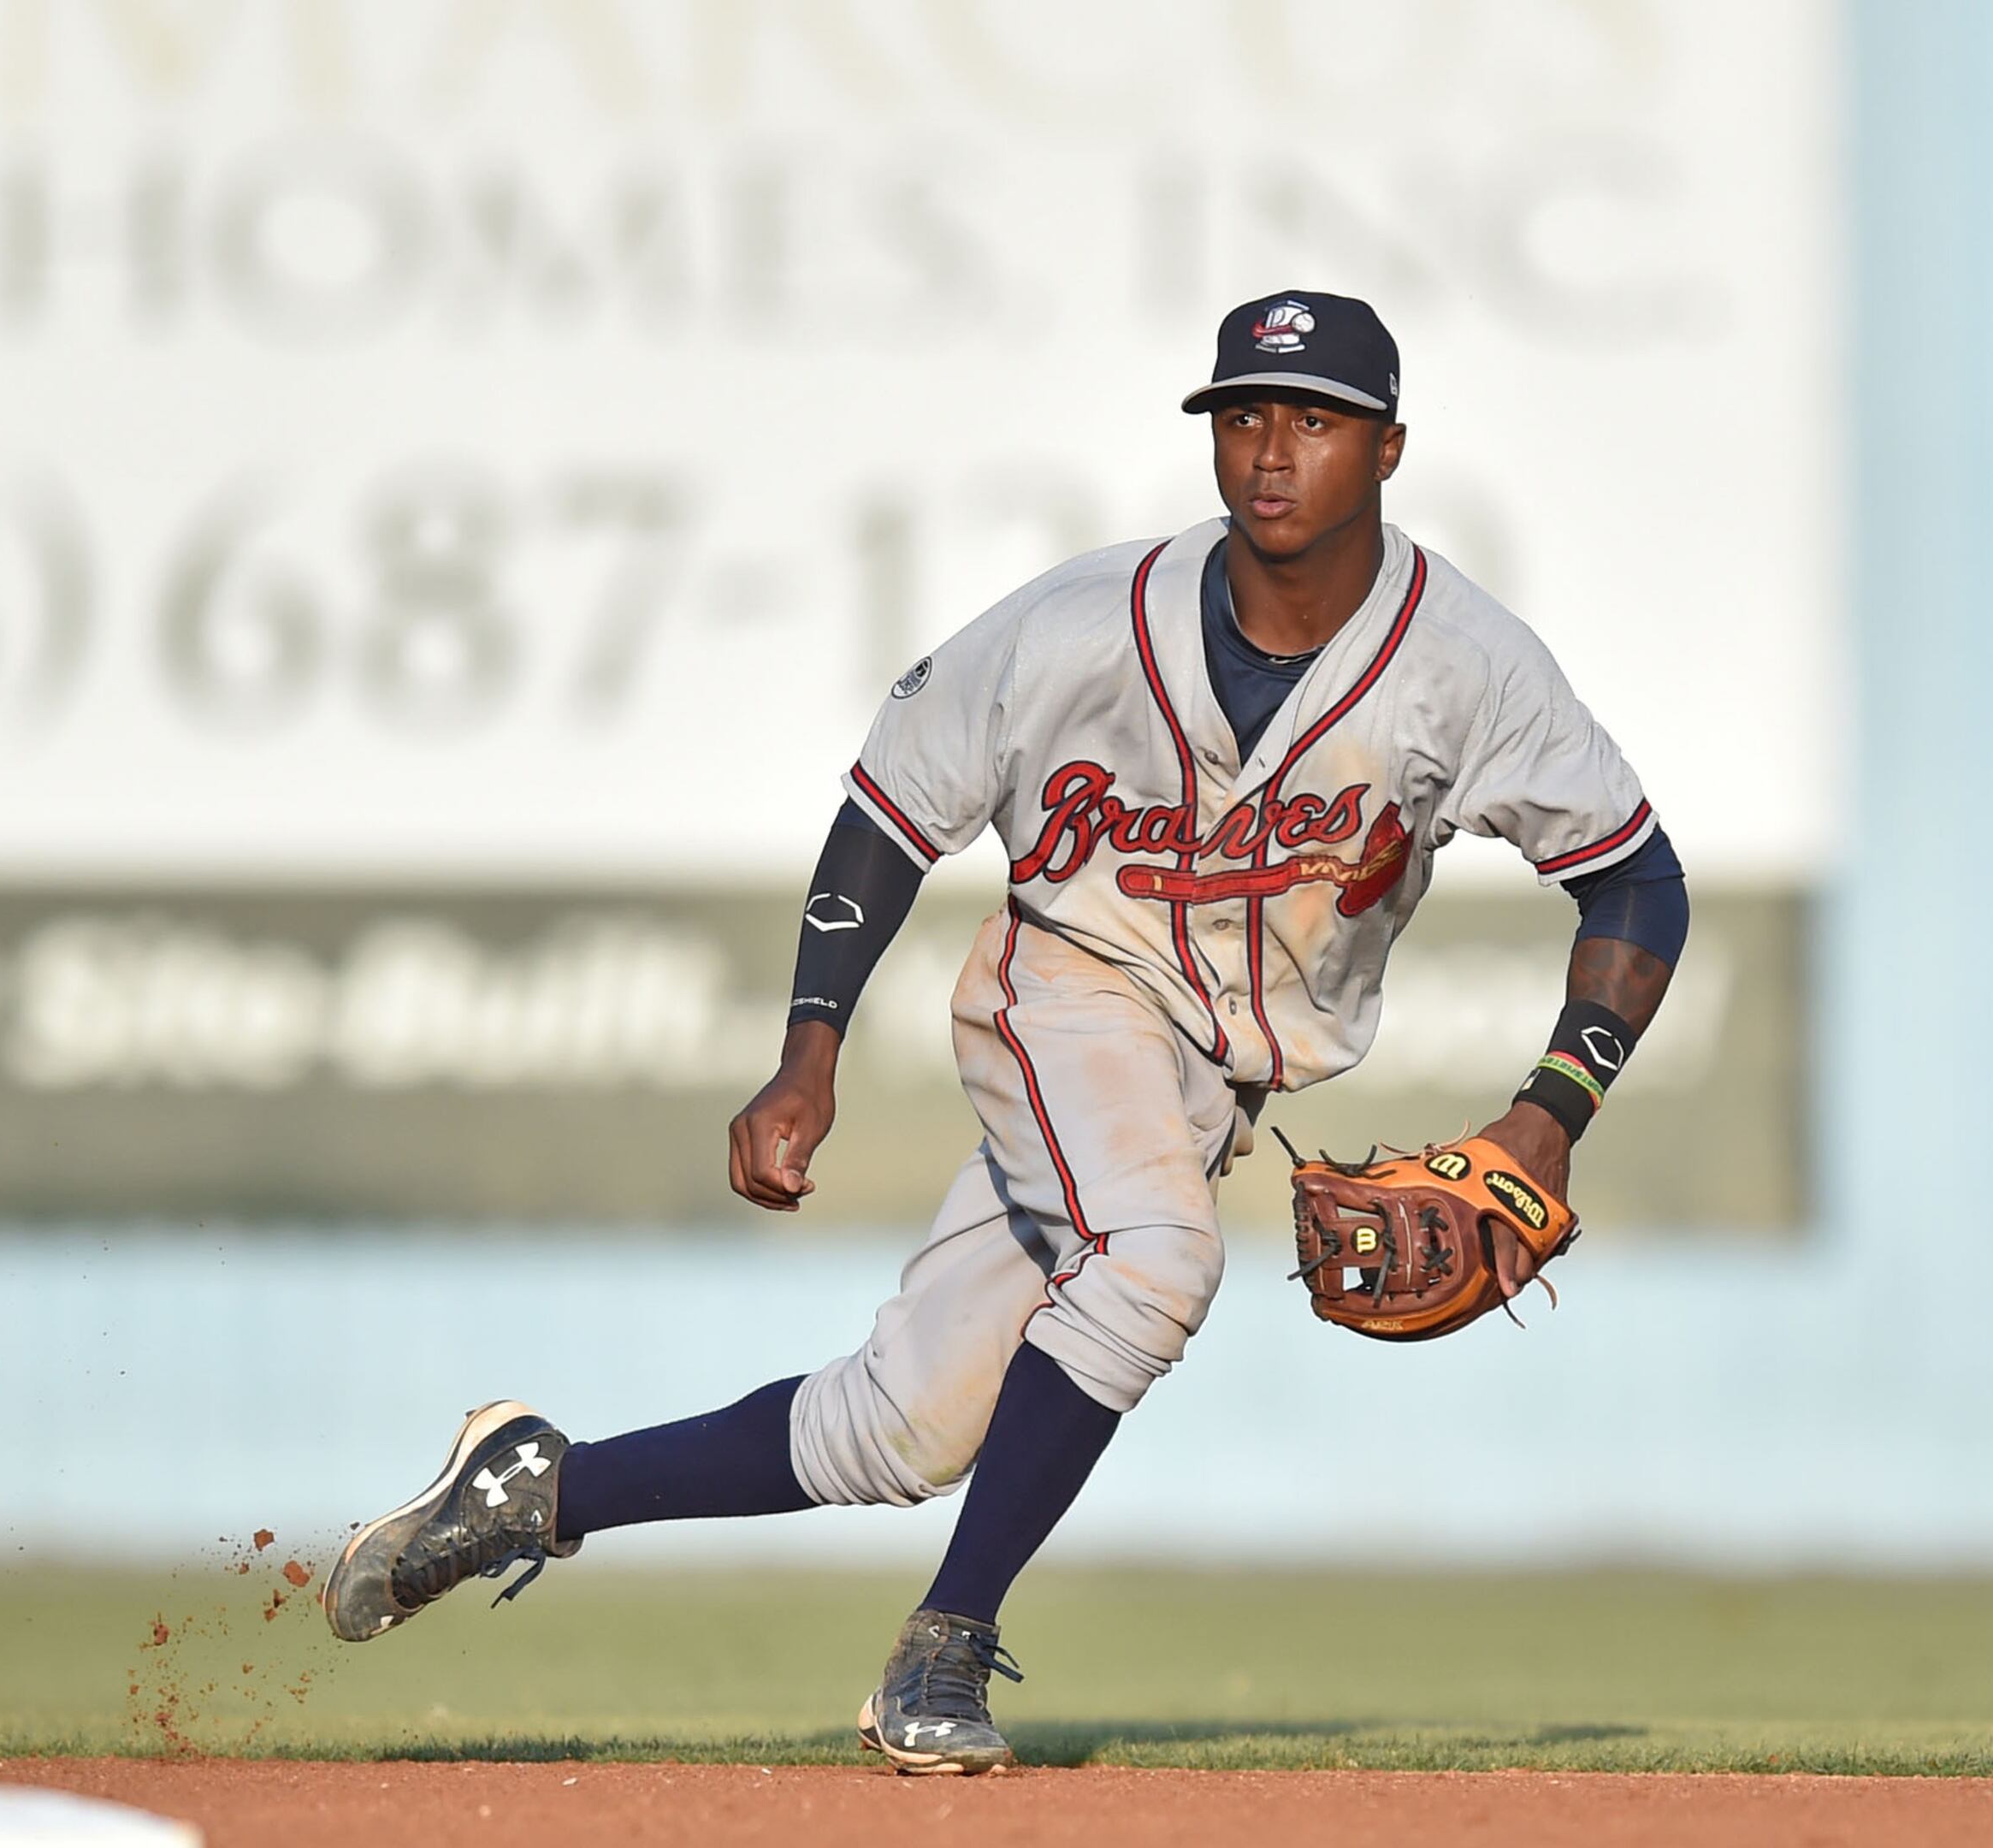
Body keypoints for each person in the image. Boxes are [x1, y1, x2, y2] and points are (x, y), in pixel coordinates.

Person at [322, 290, 1688, 1775]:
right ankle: (947, 1645)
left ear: (1390, 448)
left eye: (1315, 421)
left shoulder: (1466, 665)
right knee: (1158, 1261)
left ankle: (536, 1489)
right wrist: (809, 1050)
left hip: (1214, 1080)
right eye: (1242, 416)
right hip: (1067, 991)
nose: (1271, 454)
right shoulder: (1077, 625)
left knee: (903, 1430)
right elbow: (891, 809)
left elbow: (1636, 878)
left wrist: (1548, 1115)